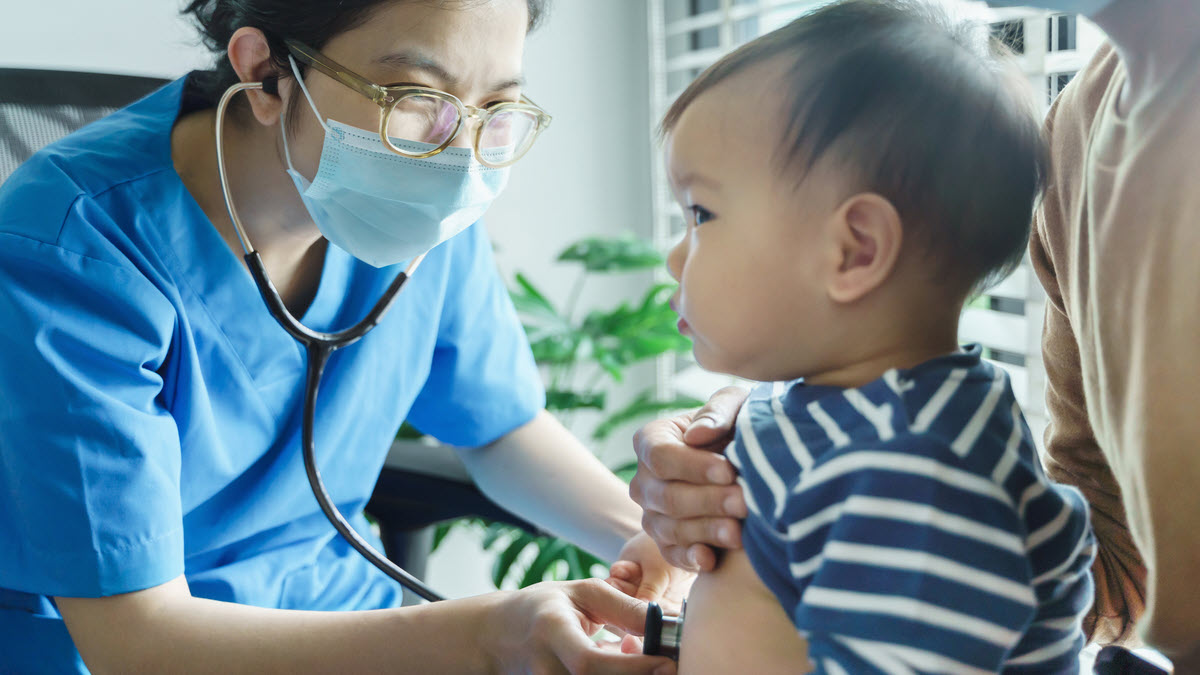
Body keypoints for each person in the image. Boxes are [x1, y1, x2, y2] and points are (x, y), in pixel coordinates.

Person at [0, 0, 687, 672]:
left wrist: (653, 534)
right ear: (266, 72)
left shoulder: (417, 213)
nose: (459, 152)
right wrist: (484, 637)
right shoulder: (75, 244)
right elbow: (136, 642)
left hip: (338, 618)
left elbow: (499, 428)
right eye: (416, 97)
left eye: (494, 107)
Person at [630, 0, 1200, 669]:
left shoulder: (919, 476)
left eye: (702, 213)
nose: (674, 256)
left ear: (855, 249)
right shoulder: (843, 428)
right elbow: (1126, 558)